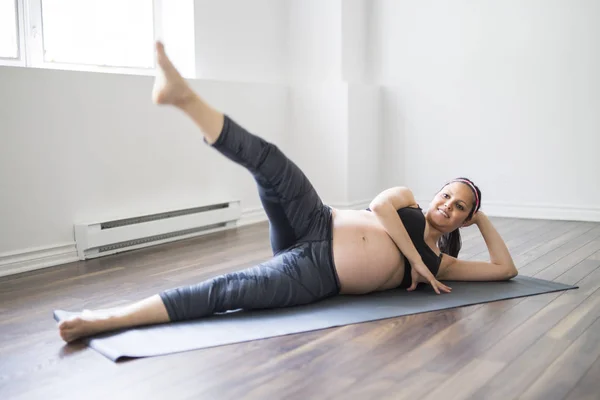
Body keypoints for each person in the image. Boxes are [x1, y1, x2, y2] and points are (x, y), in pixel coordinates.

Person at [57, 42, 517, 343]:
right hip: (316, 218)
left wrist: (483, 218)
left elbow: (505, 270)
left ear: (464, 221)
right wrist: (414, 261)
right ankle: (183, 96)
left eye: (460, 209)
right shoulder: (406, 201)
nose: (448, 207)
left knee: (226, 291)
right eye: (447, 196)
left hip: (315, 273)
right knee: (270, 161)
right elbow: (377, 205)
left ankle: (109, 319)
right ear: (434, 193)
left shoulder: (445, 265)